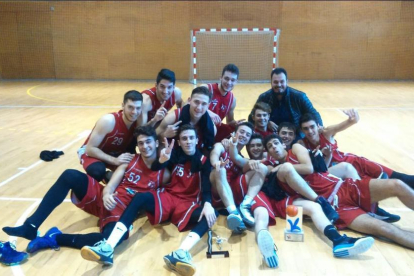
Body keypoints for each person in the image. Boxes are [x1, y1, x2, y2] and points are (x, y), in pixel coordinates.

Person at [3, 126, 170, 253]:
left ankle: (55, 238)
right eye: (141, 143)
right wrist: (106, 194)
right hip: (106, 199)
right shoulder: (130, 161)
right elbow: (111, 184)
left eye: (148, 142)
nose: (145, 146)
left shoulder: (164, 174)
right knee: (70, 175)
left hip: (121, 214)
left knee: (109, 241)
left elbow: (155, 201)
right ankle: (31, 225)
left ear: (156, 143)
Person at [81, 125, 217, 276]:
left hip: (187, 204)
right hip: (168, 197)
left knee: (211, 214)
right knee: (141, 197)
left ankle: (181, 253)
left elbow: (205, 186)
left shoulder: (204, 161)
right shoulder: (174, 154)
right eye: (184, 138)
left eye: (191, 138)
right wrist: (162, 160)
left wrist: (208, 204)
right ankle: (107, 247)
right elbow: (157, 167)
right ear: (179, 141)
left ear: (197, 140)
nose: (188, 141)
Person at [264, 134, 414, 251]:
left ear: (283, 144)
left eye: (276, 143)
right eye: (270, 146)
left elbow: (309, 168)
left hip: (345, 187)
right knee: (385, 229)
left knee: (397, 184)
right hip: (336, 207)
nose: (274, 147)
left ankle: (375, 209)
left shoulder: (295, 149)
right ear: (268, 153)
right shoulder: (278, 171)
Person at [299, 111, 414, 222]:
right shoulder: (302, 144)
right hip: (338, 172)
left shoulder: (326, 132)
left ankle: (374, 208)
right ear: (302, 130)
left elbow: (350, 122)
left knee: (396, 177)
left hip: (354, 162)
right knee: (367, 184)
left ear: (318, 126)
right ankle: (375, 210)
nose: (310, 131)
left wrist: (352, 118)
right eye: (306, 128)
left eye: (312, 127)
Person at [77, 90, 143, 182]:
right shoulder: (108, 120)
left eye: (138, 108)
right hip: (92, 152)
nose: (134, 112)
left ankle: (108, 177)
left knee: (134, 173)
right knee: (96, 171)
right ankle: (90, 186)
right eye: (130, 107)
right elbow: (90, 148)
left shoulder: (139, 123)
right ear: (123, 105)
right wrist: (115, 161)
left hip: (116, 153)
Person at [249, 68, 322, 135]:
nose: (279, 85)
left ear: (287, 81)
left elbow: (313, 114)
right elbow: (251, 117)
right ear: (271, 82)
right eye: (275, 82)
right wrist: (266, 122)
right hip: (272, 136)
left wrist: (321, 132)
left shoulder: (299, 97)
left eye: (282, 81)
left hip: (295, 134)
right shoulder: (264, 97)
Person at [157, 86, 216, 152]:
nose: (199, 107)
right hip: (173, 156)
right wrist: (164, 135)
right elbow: (153, 137)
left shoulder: (211, 127)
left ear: (208, 105)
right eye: (196, 102)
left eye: (204, 104)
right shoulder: (173, 117)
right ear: (189, 100)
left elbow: (207, 150)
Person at [201, 64, 245, 142]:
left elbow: (230, 121)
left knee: (240, 131)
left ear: (236, 81)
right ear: (221, 78)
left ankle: (233, 152)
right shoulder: (206, 89)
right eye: (226, 78)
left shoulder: (232, 100)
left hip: (215, 129)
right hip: (198, 126)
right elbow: (188, 104)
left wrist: (236, 123)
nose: (229, 82)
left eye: (232, 80)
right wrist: (208, 112)